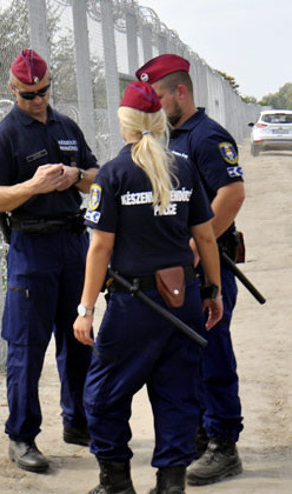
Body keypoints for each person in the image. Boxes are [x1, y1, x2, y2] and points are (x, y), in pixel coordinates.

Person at [73, 81, 223, 494]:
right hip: (183, 299)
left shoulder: (114, 174)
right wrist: (213, 291)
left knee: (102, 394)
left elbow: (100, 247)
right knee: (177, 393)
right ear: (159, 122)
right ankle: (171, 484)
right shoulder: (184, 167)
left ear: (124, 125)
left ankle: (116, 482)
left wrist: (85, 310)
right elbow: (206, 237)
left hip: (133, 304)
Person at [0, 48, 98, 473]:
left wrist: (76, 177)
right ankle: (22, 436)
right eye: (28, 94)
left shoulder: (67, 126)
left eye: (43, 91)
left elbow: (96, 176)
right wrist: (32, 185)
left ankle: (79, 422)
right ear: (13, 90)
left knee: (79, 339)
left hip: (73, 244)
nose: (37, 99)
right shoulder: (5, 136)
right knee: (27, 348)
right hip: (32, 249)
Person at [136, 54, 246, 486]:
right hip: (177, 269)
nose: (155, 104)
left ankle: (224, 444)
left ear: (180, 92)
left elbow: (232, 194)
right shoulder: (166, 137)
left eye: (158, 95)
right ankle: (200, 435)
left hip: (207, 265)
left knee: (213, 352)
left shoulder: (205, 137)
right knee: (187, 357)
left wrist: (198, 248)